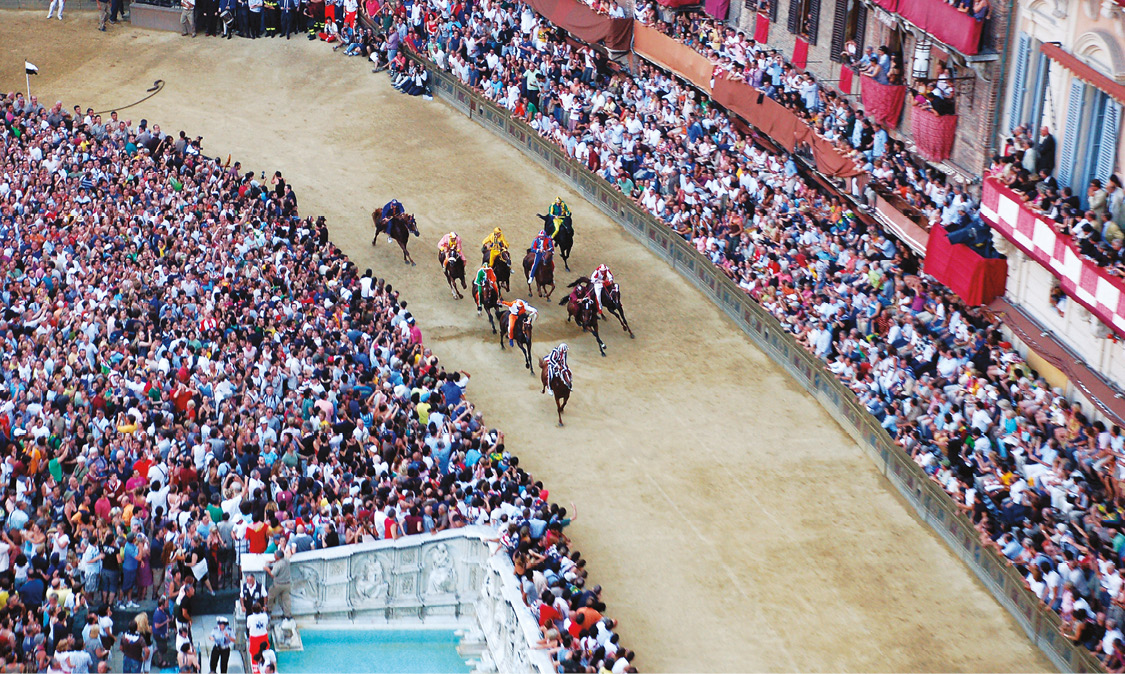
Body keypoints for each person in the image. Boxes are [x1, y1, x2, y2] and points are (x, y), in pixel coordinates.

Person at [264, 547, 292, 619]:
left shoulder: (278, 565)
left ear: (278, 557)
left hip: (278, 585)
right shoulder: (286, 560)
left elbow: (272, 575)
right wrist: (273, 561)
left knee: (270, 596)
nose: (274, 556)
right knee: (286, 600)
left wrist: (267, 569)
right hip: (287, 584)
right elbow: (280, 559)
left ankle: (269, 610)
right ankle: (288, 615)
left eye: (275, 556)